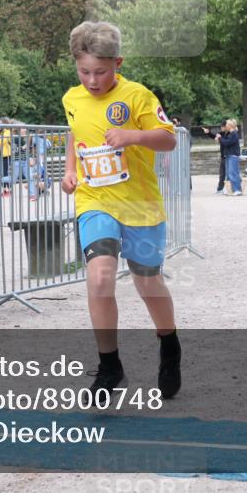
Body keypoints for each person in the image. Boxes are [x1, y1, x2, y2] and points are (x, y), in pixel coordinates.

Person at [60, 20, 180, 403]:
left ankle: (169, 345)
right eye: (84, 71)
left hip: (140, 204)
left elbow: (169, 140)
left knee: (147, 283)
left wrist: (132, 136)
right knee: (98, 279)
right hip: (95, 201)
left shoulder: (137, 96)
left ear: (118, 62)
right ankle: (110, 365)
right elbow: (74, 134)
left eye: (101, 71)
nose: (92, 80)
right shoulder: (72, 98)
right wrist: (69, 171)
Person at [217, 119, 242, 195]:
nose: (225, 126)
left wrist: (220, 138)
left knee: (233, 173)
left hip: (233, 156)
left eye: (226, 125)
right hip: (228, 156)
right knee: (228, 174)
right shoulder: (230, 133)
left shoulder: (234, 134)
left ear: (230, 126)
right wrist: (220, 138)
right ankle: (229, 189)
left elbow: (227, 143)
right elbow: (224, 142)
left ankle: (237, 189)